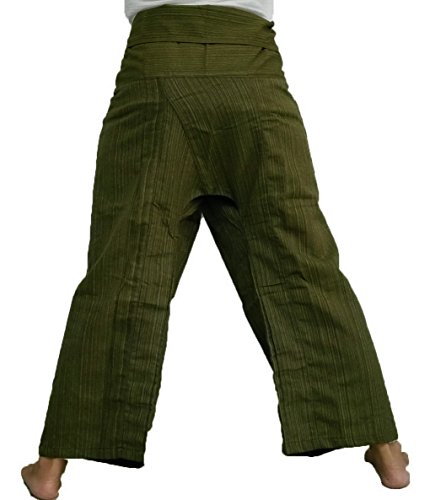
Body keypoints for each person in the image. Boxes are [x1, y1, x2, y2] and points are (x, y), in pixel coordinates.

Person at [21, 2, 410, 498]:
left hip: (156, 71)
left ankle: (50, 468)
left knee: (125, 268)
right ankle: (386, 452)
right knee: (301, 264)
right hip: (251, 72)